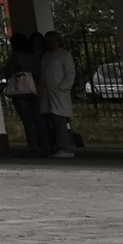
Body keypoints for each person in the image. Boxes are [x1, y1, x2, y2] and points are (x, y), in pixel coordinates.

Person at [36, 30, 77, 159]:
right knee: (50, 119)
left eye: (53, 40)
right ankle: (55, 146)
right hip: (47, 93)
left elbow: (70, 73)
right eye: (48, 41)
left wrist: (64, 87)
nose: (50, 43)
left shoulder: (64, 55)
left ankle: (66, 147)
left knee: (60, 120)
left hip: (59, 92)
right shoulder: (46, 56)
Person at [4, 31, 44, 157]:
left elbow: (8, 71)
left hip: (20, 91)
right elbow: (39, 71)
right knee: (38, 118)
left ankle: (33, 146)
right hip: (33, 89)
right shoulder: (33, 56)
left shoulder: (16, 56)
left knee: (28, 120)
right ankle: (45, 144)